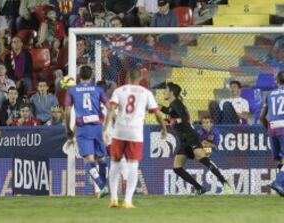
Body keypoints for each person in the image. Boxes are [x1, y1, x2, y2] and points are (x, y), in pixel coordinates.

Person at [103, 68, 167, 208]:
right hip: (135, 132)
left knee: (115, 163)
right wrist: (164, 128)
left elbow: (111, 110)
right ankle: (127, 201)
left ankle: (113, 199)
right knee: (133, 165)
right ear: (140, 79)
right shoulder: (146, 93)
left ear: (127, 78)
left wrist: (105, 129)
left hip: (119, 131)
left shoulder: (119, 91)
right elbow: (157, 113)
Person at [161, 82, 233, 195]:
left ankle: (225, 184)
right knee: (177, 167)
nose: (163, 92)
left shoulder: (176, 103)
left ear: (171, 92)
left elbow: (184, 118)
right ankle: (200, 188)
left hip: (190, 136)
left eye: (165, 90)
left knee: (202, 159)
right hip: (183, 140)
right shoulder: (173, 105)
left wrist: (172, 121)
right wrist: (158, 108)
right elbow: (169, 112)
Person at [64, 65, 109, 198]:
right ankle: (104, 186)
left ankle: (101, 186)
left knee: (89, 160)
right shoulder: (98, 89)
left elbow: (67, 112)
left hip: (83, 128)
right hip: (97, 127)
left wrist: (69, 130)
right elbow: (109, 106)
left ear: (79, 76)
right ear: (92, 76)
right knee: (101, 158)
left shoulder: (72, 90)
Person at [260, 71, 284, 196]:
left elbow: (261, 117)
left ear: (277, 81)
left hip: (273, 127)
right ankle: (278, 182)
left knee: (281, 159)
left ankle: (281, 189)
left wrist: (268, 129)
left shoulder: (269, 95)